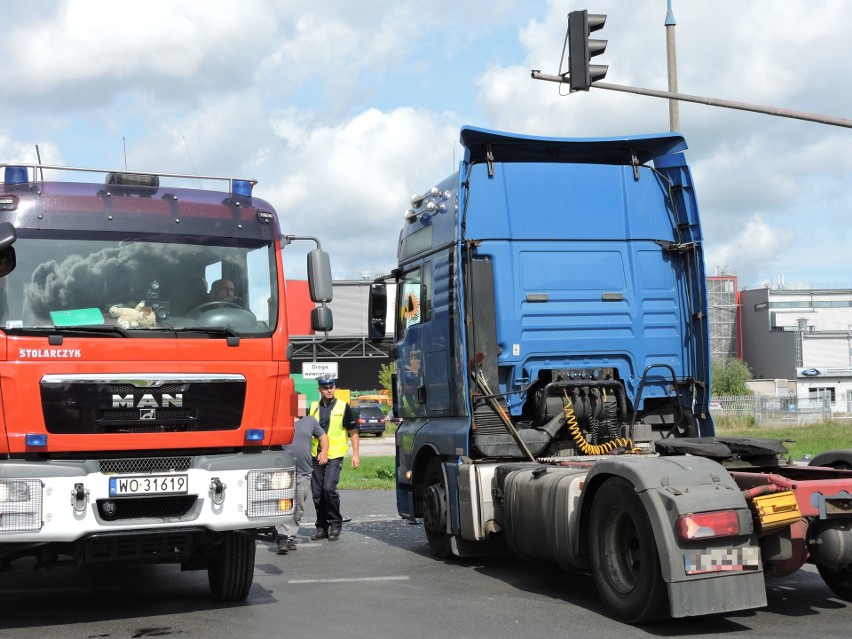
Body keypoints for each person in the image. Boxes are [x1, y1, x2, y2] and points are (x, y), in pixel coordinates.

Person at [308, 376, 360, 541]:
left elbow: (353, 432)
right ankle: (321, 527)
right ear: (319, 390)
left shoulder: (343, 407)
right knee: (317, 493)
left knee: (328, 489)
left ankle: (335, 524)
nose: (329, 390)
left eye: (331, 387)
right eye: (325, 387)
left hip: (335, 454)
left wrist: (356, 454)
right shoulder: (313, 407)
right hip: (316, 455)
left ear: (334, 387)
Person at [277, 414, 329, 555]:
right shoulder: (280, 419)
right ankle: (282, 537)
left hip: (304, 472)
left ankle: (289, 537)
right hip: (284, 471)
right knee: (283, 504)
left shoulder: (310, 421)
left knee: (298, 507)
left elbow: (323, 437)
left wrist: (324, 451)